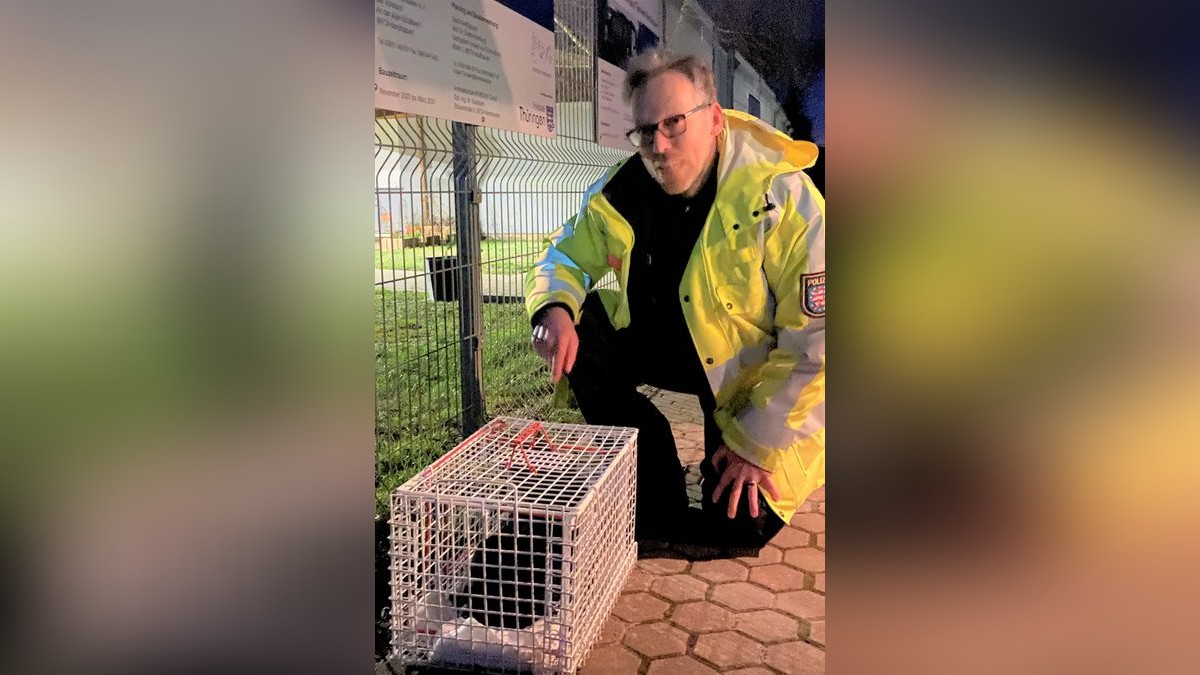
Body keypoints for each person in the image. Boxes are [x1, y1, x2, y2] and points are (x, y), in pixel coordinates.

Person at [523, 49, 824, 551]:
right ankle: (649, 461)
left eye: (674, 124)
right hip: (671, 340)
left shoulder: (781, 198)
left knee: (735, 528)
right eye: (645, 131)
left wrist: (755, 443)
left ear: (713, 118)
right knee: (585, 324)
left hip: (748, 374)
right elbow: (564, 253)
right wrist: (554, 308)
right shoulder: (624, 192)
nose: (659, 146)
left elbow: (820, 345)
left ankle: (729, 446)